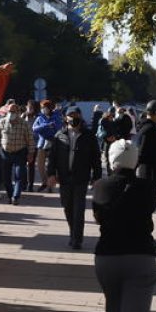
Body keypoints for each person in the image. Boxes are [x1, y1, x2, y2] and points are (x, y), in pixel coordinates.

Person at [92, 140, 156, 312]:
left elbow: (98, 217)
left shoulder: (100, 186)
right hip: (141, 256)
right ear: (135, 161)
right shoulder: (147, 187)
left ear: (111, 160)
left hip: (107, 257)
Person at [48, 107, 102, 249]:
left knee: (79, 209)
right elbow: (52, 157)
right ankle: (73, 232)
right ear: (65, 118)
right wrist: (51, 174)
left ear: (81, 117)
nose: (73, 118)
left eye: (76, 115)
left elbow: (96, 158)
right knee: (67, 207)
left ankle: (77, 239)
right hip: (64, 178)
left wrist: (97, 176)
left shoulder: (89, 136)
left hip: (81, 177)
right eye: (70, 116)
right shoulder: (59, 135)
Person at [134, 100, 156, 250]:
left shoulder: (148, 128)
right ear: (153, 113)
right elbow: (141, 154)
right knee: (148, 207)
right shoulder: (149, 130)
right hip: (149, 174)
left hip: (150, 173)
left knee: (147, 207)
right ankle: (145, 238)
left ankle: (144, 236)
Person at [0, 100, 35, 205]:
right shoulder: (2, 122)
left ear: (18, 112)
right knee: (6, 178)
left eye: (14, 111)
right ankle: (10, 195)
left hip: (20, 153)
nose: (12, 113)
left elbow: (30, 139)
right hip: (5, 153)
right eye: (10, 111)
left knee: (19, 175)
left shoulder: (23, 123)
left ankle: (16, 196)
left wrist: (31, 153)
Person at [32, 99, 64, 193]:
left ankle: (51, 185)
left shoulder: (56, 117)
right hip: (41, 144)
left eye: (45, 108)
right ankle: (45, 182)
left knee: (51, 166)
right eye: (42, 108)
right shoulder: (40, 117)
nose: (43, 109)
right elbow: (34, 129)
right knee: (40, 165)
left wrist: (44, 129)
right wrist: (46, 126)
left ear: (50, 108)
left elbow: (56, 129)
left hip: (53, 144)